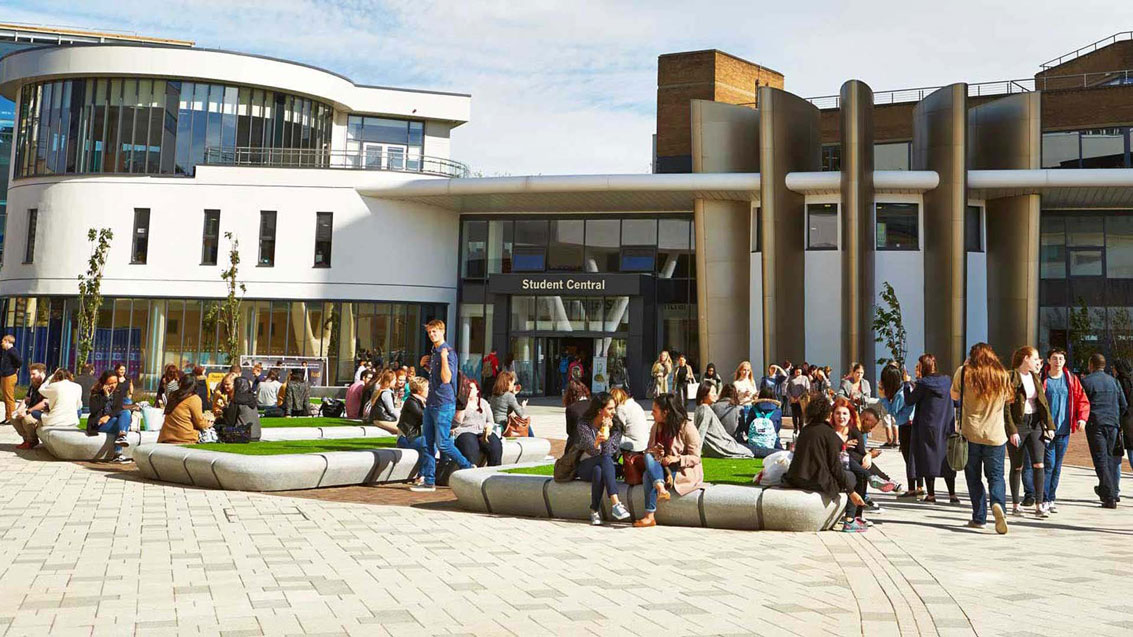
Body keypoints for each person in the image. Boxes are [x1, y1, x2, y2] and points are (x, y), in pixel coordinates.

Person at [952, 342, 1013, 534]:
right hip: (995, 434)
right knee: (995, 476)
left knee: (973, 476)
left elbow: (954, 395)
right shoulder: (1002, 374)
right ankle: (998, 505)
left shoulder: (964, 372)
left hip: (971, 433)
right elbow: (1009, 398)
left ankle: (979, 517)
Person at [784, 398, 866, 531]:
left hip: (796, 477)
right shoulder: (829, 433)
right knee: (851, 476)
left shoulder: (805, 430)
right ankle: (850, 520)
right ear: (828, 414)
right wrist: (852, 492)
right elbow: (835, 467)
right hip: (815, 480)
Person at [1030, 348, 1090, 513]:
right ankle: (1043, 498)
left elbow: (1081, 399)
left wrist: (1082, 418)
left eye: (1061, 359)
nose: (1058, 361)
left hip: (1064, 429)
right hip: (1047, 429)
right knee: (1048, 464)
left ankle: (1051, 498)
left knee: (1057, 466)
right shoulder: (1042, 379)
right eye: (1055, 358)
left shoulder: (1070, 379)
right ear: (1048, 361)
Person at [634, 392, 705, 528]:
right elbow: (649, 450)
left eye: (654, 411)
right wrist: (656, 451)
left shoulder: (686, 427)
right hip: (661, 466)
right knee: (648, 456)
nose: (652, 414)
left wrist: (676, 459)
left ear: (665, 412)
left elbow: (696, 457)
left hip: (681, 469)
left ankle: (650, 516)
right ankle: (661, 488)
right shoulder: (656, 426)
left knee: (646, 476)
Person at [417, 319, 472, 492]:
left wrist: (443, 358)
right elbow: (437, 378)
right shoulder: (434, 351)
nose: (432, 335)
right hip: (431, 403)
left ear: (442, 332)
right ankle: (429, 481)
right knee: (427, 443)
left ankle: (467, 466)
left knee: (443, 444)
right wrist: (425, 365)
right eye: (430, 332)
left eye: (435, 331)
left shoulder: (447, 352)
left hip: (444, 404)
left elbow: (447, 378)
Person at [1005, 346, 1055, 517]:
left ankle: (1039, 505)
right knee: (1017, 466)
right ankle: (1015, 504)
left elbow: (1043, 403)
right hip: (1018, 425)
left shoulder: (1036, 378)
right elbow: (1006, 407)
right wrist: (1011, 430)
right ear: (1026, 358)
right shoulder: (1011, 376)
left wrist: (1049, 426)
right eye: (1035, 359)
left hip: (1035, 424)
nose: (1037, 362)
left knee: (1039, 463)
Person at [899, 355, 957, 502]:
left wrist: (906, 383)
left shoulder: (924, 384)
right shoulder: (946, 380)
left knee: (928, 459)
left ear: (924, 367)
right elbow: (956, 400)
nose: (917, 369)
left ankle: (931, 495)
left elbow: (909, 400)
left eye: (918, 366)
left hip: (927, 426)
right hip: (945, 426)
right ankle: (952, 495)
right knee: (946, 460)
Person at [573, 391, 631, 525]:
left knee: (599, 469)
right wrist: (597, 441)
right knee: (600, 462)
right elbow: (592, 451)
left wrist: (606, 433)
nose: (614, 412)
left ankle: (594, 511)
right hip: (585, 465)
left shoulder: (616, 425)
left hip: (608, 465)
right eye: (610, 409)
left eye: (614, 408)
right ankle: (616, 504)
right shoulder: (584, 424)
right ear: (600, 410)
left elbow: (609, 452)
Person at [1080, 352, 1125, 509]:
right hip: (1112, 424)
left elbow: (1083, 403)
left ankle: (1109, 495)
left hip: (1096, 423)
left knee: (1100, 460)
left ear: (1091, 365)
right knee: (1108, 457)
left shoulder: (1086, 382)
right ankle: (1106, 490)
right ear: (1104, 365)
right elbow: (1123, 404)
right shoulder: (1113, 382)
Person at [879, 364, 920, 497]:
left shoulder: (900, 394)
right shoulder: (907, 388)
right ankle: (919, 487)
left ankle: (913, 489)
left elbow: (893, 412)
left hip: (906, 427)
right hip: (913, 425)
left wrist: (883, 397)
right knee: (915, 458)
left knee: (909, 459)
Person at [693, 381, 753, 458]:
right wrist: (695, 453)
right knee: (752, 451)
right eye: (713, 392)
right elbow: (701, 431)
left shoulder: (701, 408)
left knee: (751, 450)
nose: (715, 395)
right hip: (721, 445)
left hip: (719, 444)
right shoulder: (705, 409)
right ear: (704, 394)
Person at [452, 379, 503, 467]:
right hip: (464, 431)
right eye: (466, 388)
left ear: (477, 391)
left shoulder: (483, 403)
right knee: (470, 446)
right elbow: (456, 421)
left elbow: (490, 421)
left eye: (471, 388)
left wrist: (489, 426)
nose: (469, 390)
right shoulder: (459, 402)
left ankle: (494, 470)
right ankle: (471, 470)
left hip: (482, 431)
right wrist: (463, 403)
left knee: (495, 445)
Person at [396, 377, 434, 487]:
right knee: (429, 445)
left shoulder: (422, 401)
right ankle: (424, 476)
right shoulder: (411, 402)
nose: (429, 390)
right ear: (419, 390)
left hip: (417, 436)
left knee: (435, 444)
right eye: (427, 388)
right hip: (406, 438)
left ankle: (427, 475)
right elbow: (424, 417)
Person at [88, 370, 132, 462]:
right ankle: (118, 452)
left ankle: (122, 436)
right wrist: (106, 397)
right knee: (122, 423)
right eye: (110, 383)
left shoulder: (118, 392)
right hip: (99, 423)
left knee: (126, 413)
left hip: (110, 420)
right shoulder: (96, 393)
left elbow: (118, 408)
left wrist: (108, 416)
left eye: (115, 382)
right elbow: (93, 410)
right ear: (104, 383)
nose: (113, 385)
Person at [158, 374, 213, 444]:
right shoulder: (194, 399)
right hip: (185, 437)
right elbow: (200, 422)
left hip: (166, 436)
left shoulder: (173, 396)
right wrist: (208, 423)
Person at [12, 363, 47, 449]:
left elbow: (45, 403)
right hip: (31, 411)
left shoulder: (47, 386)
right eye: (30, 374)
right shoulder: (33, 385)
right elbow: (26, 399)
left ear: (42, 373)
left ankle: (32, 441)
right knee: (13, 417)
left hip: (42, 413)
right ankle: (27, 439)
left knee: (27, 419)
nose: (31, 377)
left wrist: (28, 411)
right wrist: (19, 410)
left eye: (34, 374)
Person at [488, 371, 533, 437]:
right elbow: (520, 413)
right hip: (503, 424)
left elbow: (504, 409)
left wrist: (513, 394)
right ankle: (533, 441)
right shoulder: (509, 396)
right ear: (508, 383)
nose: (513, 385)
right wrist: (523, 406)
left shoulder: (494, 395)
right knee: (526, 426)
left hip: (494, 423)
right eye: (512, 383)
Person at [745, 388, 783, 457]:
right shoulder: (777, 410)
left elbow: (747, 429)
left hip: (754, 446)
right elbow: (777, 429)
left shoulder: (753, 409)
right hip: (772, 445)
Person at [223, 376, 262, 441]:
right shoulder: (252, 400)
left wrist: (224, 411)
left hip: (242, 434)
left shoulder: (237, 400)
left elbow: (230, 421)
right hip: (256, 434)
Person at [610, 387, 649, 451]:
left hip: (634, 444)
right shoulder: (635, 404)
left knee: (608, 438)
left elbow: (617, 428)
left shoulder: (621, 408)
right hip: (644, 443)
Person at [367, 371, 401, 435]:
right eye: (394, 379)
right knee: (403, 430)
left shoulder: (379, 391)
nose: (396, 381)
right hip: (382, 419)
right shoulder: (386, 393)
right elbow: (391, 410)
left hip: (377, 418)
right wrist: (401, 417)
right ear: (389, 381)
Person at [563, 378, 591, 449]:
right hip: (593, 440)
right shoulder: (592, 404)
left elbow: (569, 431)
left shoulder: (571, 408)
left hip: (578, 443)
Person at [0, 335, 21, 423]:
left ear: (7, 341)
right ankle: (8, 416)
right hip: (4, 376)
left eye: (3, 342)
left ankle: (12, 418)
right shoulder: (7, 352)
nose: (2, 344)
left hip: (9, 376)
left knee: (9, 397)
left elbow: (19, 361)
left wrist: (15, 369)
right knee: (6, 397)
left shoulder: (13, 351)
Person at [785, 366, 811, 431]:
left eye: (799, 371)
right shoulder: (790, 378)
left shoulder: (804, 378)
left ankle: (801, 429)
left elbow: (807, 389)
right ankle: (795, 429)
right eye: (796, 371)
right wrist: (790, 397)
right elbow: (787, 389)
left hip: (802, 400)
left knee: (801, 416)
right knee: (794, 416)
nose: (798, 372)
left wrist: (800, 397)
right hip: (793, 400)